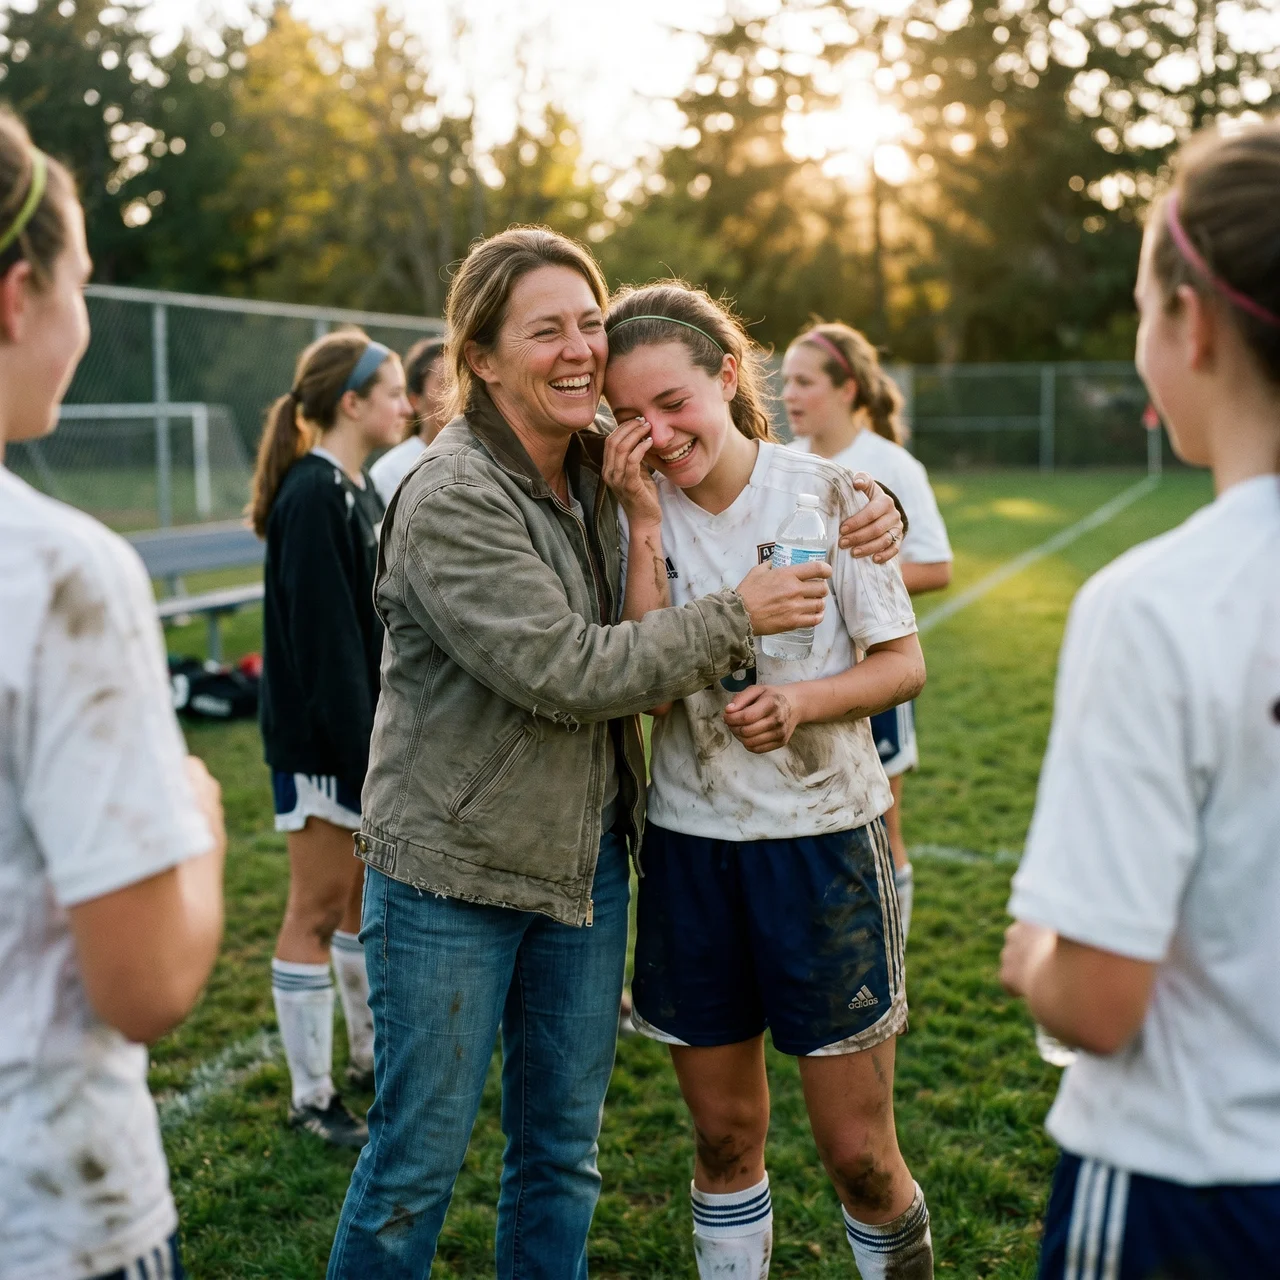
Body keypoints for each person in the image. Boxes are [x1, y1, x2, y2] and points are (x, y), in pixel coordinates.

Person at [326, 227, 904, 1278]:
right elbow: (571, 670)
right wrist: (739, 614)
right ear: (480, 357)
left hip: (583, 862)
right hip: (456, 868)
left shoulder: (599, 453)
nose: (579, 350)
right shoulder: (456, 495)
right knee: (415, 1167)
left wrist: (871, 501)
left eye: (588, 322)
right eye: (544, 330)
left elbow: (743, 467)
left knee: (561, 1156)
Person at [602, 282, 934, 1280]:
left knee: (859, 1157)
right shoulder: (625, 511)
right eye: (629, 415)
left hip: (823, 843)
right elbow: (647, 693)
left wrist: (802, 702)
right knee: (721, 1141)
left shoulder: (826, 495)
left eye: (673, 402)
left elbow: (902, 665)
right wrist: (643, 525)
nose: (658, 434)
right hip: (691, 850)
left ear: (727, 376)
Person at [1000, 118, 1280, 1279]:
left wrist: (1027, 954)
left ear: (1191, 322)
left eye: (1138, 308)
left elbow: (1096, 1000)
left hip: (1188, 1188)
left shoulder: (1156, 603)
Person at [0, 111, 226, 1280]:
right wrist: (201, 824)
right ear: (17, 297)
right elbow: (144, 983)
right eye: (83, 284)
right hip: (50, 1213)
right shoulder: (58, 569)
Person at [249, 329, 410, 1147]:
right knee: (313, 911)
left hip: (359, 741)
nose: (407, 406)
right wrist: (362, 756)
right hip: (323, 748)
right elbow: (325, 649)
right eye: (393, 393)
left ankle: (366, 1058)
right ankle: (310, 1099)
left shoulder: (356, 488)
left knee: (355, 904)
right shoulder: (313, 494)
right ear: (351, 403)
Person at [783, 322, 952, 935]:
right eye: (786, 382)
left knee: (880, 824)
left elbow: (937, 565)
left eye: (805, 382)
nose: (789, 394)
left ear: (847, 387)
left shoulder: (890, 464)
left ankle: (888, 953)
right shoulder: (785, 463)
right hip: (799, 674)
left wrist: (851, 581)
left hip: (871, 674)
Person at [369, 335, 449, 504]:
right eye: (445, 382)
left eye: (463, 383)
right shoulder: (391, 473)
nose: (457, 394)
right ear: (414, 401)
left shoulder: (487, 462)